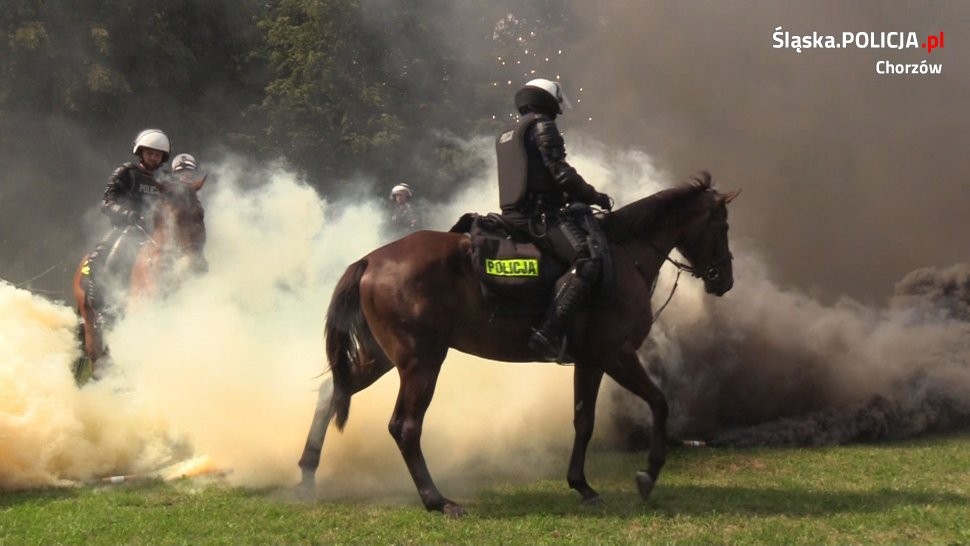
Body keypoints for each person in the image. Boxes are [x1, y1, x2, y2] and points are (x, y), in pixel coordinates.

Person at [495, 78, 613, 362]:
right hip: (539, 216)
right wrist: (594, 196)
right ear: (549, 101)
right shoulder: (542, 126)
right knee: (588, 259)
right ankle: (548, 331)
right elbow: (560, 173)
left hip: (512, 214)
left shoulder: (507, 133)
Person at [83, 128, 171, 327]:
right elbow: (106, 203)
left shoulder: (166, 179)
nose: (154, 157)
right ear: (140, 152)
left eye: (158, 154)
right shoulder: (126, 173)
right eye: (150, 152)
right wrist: (128, 215)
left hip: (155, 234)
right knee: (96, 261)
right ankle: (101, 312)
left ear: (163, 157)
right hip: (126, 229)